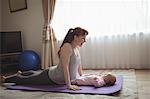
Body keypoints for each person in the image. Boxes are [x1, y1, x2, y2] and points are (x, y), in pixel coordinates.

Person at [1, 27, 88, 91]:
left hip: (54, 71)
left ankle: (21, 73)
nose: (84, 40)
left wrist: (82, 76)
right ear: (75, 37)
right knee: (27, 80)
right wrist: (69, 85)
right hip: (53, 77)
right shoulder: (67, 47)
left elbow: (78, 64)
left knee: (34, 73)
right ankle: (5, 79)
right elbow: (65, 67)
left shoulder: (76, 47)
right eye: (83, 38)